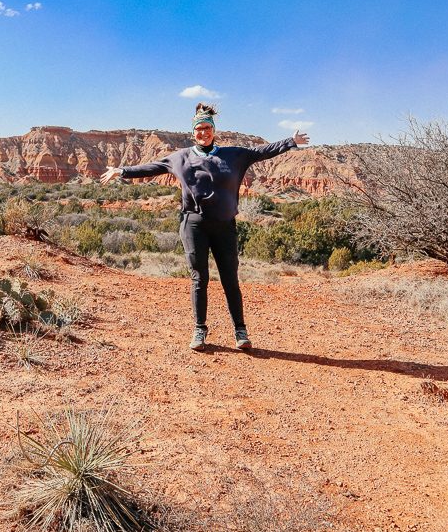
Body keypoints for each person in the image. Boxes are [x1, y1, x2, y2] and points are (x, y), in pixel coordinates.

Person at [100, 103, 310, 351]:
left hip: (224, 226)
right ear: (193, 132)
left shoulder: (234, 154)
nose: (203, 133)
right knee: (199, 278)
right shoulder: (180, 157)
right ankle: (199, 330)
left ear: (214, 130)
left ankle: (240, 330)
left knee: (230, 279)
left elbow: (263, 151)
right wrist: (121, 170)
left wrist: (290, 141)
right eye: (199, 129)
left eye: (207, 128)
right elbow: (152, 167)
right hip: (194, 224)